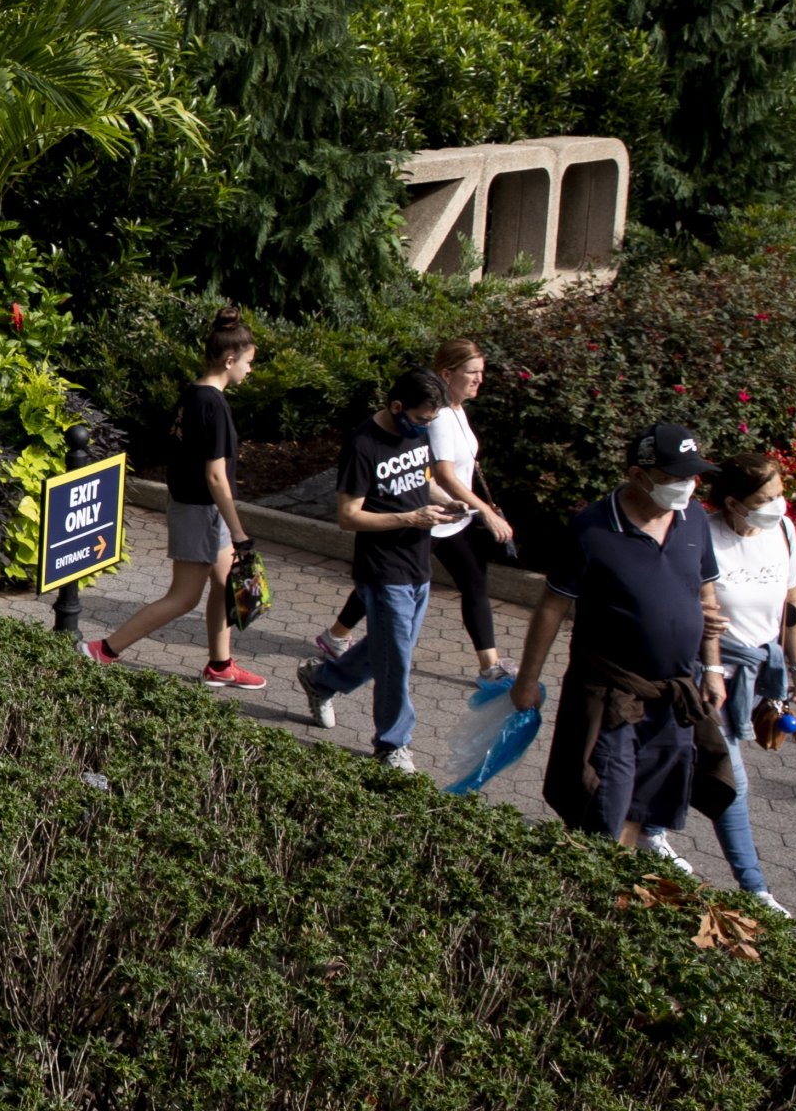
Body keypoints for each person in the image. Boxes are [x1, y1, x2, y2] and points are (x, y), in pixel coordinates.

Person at [512, 422, 740, 867]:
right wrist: (527, 681)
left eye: (693, 476)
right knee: (603, 803)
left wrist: (711, 668)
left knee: (644, 804)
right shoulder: (593, 528)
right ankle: (587, 889)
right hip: (611, 695)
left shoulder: (693, 517)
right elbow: (551, 609)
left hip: (672, 694)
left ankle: (618, 887)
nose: (689, 486)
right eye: (677, 477)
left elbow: (705, 595)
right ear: (639, 475)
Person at [316, 337, 517, 684]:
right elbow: (440, 474)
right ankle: (339, 660)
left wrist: (456, 506)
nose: (479, 379)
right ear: (447, 374)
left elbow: (430, 477)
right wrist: (483, 510)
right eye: (472, 372)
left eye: (481, 372)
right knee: (385, 602)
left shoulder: (449, 411)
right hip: (423, 523)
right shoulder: (424, 420)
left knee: (468, 586)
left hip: (445, 518)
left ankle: (489, 665)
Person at [83, 311, 266, 687]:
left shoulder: (194, 393)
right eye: (248, 363)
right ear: (230, 360)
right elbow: (216, 476)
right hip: (201, 513)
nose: (251, 370)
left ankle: (220, 665)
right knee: (183, 598)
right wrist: (239, 532)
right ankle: (103, 650)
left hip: (198, 510)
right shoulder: (213, 406)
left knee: (226, 584)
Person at [295, 369, 464, 770]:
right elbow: (348, 517)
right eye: (422, 419)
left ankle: (322, 681)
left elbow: (418, 483)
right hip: (382, 568)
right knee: (398, 661)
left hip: (417, 563)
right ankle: (392, 744)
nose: (426, 427)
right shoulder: (362, 444)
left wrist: (444, 503)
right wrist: (411, 518)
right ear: (396, 406)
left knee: (388, 649)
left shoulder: (417, 432)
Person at [701, 451, 796, 916]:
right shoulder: (702, 536)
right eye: (767, 498)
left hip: (758, 671)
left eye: (780, 493)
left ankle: (648, 832)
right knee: (733, 781)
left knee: (688, 763)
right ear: (734, 502)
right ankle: (755, 890)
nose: (779, 505)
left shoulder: (782, 532)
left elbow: (791, 599)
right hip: (709, 675)